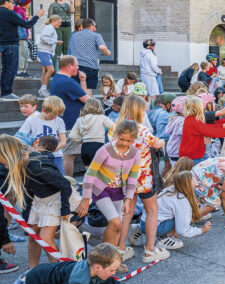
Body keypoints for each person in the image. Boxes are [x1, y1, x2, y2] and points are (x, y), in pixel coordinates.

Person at [108, 96, 167, 264]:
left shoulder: (115, 127)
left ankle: (120, 248)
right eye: (143, 109)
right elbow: (156, 143)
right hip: (143, 178)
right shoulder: (140, 129)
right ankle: (150, 250)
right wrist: (162, 141)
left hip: (124, 176)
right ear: (137, 110)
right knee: (152, 210)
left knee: (127, 212)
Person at [0, 135, 71, 269]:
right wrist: (27, 219)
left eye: (2, 159)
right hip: (38, 199)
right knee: (33, 235)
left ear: (8, 154)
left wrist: (65, 210)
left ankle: (57, 272)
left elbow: (65, 184)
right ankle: (32, 270)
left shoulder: (35, 166)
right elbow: (28, 193)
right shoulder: (19, 166)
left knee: (45, 238)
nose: (2, 163)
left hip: (55, 198)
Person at [77, 120, 140, 272]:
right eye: (122, 139)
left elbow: (133, 177)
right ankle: (102, 260)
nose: (124, 143)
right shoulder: (105, 150)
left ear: (133, 139)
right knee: (116, 222)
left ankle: (110, 260)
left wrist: (128, 199)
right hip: (101, 190)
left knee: (115, 227)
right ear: (115, 135)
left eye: (128, 140)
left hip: (118, 191)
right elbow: (90, 174)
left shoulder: (135, 153)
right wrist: (86, 199)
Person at [128, 171, 212, 250]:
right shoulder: (182, 201)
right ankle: (163, 239)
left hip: (144, 222)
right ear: (187, 184)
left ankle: (138, 228)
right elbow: (182, 230)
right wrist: (201, 230)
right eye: (193, 180)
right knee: (180, 218)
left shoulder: (170, 188)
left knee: (170, 214)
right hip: (156, 227)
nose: (196, 182)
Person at [14, 243, 135, 284]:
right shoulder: (77, 280)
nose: (113, 273)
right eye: (112, 270)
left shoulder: (96, 269)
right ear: (98, 267)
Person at [49, 55, 91, 177]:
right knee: (69, 155)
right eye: (76, 65)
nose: (78, 68)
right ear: (69, 66)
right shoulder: (68, 82)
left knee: (68, 153)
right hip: (70, 123)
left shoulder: (57, 78)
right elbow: (88, 100)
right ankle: (69, 183)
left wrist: (82, 80)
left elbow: (82, 94)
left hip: (65, 121)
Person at [0, 0, 42, 99]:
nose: (13, 5)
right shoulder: (9, 13)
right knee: (11, 69)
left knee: (5, 70)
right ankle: (6, 93)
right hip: (11, 44)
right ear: (6, 2)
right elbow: (27, 24)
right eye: (12, 2)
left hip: (3, 44)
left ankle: (4, 92)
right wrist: (37, 16)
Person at [179, 97, 225, 164]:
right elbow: (211, 131)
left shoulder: (191, 119)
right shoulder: (193, 121)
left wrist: (221, 126)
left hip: (193, 155)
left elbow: (206, 128)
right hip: (193, 157)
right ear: (197, 108)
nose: (203, 108)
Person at [18, 96, 67, 174]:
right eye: (52, 115)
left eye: (57, 115)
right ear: (44, 111)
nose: (55, 118)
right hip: (36, 156)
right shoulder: (31, 120)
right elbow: (20, 138)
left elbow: (63, 142)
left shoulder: (59, 121)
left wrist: (50, 151)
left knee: (60, 177)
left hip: (55, 156)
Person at [68, 18, 111, 96]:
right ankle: (88, 107)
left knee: (77, 89)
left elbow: (70, 49)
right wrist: (108, 53)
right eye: (95, 26)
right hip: (90, 66)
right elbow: (102, 47)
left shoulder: (74, 35)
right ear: (91, 26)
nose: (95, 28)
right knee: (88, 90)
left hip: (75, 66)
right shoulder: (96, 36)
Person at [69, 98, 114, 167]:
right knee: (100, 171)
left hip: (85, 147)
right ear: (99, 106)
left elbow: (72, 135)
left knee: (88, 172)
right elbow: (114, 126)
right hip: (98, 146)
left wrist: (81, 140)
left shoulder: (80, 119)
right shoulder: (102, 117)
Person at [37, 15, 62, 97]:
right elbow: (43, 37)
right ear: (53, 21)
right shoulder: (49, 28)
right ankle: (42, 89)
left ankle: (42, 90)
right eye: (58, 22)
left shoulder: (51, 28)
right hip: (44, 51)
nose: (60, 24)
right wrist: (56, 41)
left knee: (45, 72)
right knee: (51, 70)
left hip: (47, 52)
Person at [165, 96, 187, 166]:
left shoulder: (174, 118)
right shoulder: (182, 121)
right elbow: (184, 134)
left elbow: (167, 131)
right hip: (177, 150)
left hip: (171, 149)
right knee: (177, 172)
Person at [139, 39, 161, 103]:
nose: (154, 47)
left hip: (143, 75)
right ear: (149, 47)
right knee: (153, 94)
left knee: (146, 93)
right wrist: (159, 71)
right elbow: (154, 66)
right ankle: (152, 108)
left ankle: (146, 107)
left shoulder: (142, 55)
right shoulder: (151, 55)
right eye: (153, 46)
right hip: (150, 75)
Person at [14, 0, 31, 79]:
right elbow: (23, 25)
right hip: (21, 37)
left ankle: (23, 71)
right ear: (25, 3)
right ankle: (20, 72)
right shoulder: (20, 12)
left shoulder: (21, 11)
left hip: (23, 36)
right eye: (28, 2)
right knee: (22, 54)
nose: (30, 4)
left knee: (24, 54)